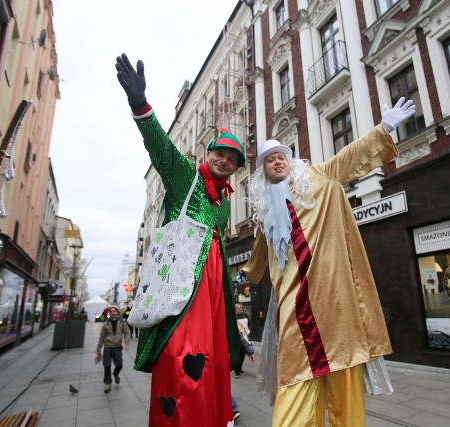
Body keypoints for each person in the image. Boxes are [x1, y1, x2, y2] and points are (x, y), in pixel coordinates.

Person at [239, 97, 415, 426]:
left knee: (346, 391)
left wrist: (385, 127)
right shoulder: (264, 215)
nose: (277, 162)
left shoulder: (319, 177)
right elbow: (256, 262)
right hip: (296, 311)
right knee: (294, 392)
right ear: (262, 172)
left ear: (290, 162)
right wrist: (239, 278)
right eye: (269, 160)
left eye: (281, 157)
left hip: (337, 302)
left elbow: (352, 155)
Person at [115, 53, 241, 426]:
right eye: (219, 153)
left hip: (214, 288)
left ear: (237, 167)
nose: (224, 161)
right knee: (181, 355)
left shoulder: (225, 202)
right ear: (208, 154)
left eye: (232, 159)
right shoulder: (188, 177)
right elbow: (161, 149)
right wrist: (140, 105)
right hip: (182, 286)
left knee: (212, 360)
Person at [95, 306, 130, 393]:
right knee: (106, 365)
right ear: (110, 313)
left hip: (117, 347)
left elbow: (126, 332)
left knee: (119, 365)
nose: (113, 313)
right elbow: (101, 337)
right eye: (111, 312)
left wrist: (127, 343)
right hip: (108, 347)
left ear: (117, 313)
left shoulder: (122, 322)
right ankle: (108, 383)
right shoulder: (106, 324)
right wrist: (98, 349)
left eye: (114, 311)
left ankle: (116, 374)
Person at [233, 303, 253, 377]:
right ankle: (237, 372)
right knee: (237, 355)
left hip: (245, 338)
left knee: (242, 354)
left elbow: (250, 324)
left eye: (241, 307)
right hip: (237, 339)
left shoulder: (245, 315)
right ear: (235, 309)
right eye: (238, 308)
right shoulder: (234, 317)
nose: (240, 309)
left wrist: (249, 331)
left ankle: (240, 369)